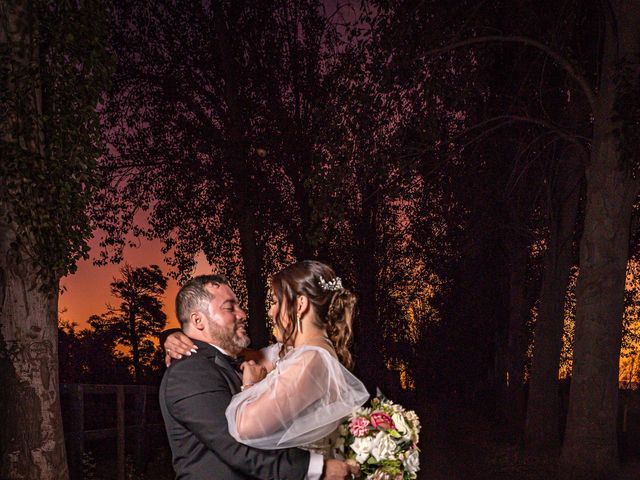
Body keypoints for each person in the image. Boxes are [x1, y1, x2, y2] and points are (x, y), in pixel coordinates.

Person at [159, 274, 356, 479]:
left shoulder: (258, 360)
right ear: (198, 320)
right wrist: (317, 469)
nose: (243, 314)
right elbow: (236, 447)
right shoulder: (190, 371)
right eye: (229, 308)